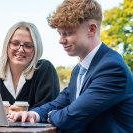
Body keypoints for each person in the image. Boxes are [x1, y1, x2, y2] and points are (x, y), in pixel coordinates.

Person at [8, 0, 133, 133]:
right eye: (60, 34)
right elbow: (59, 103)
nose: (61, 40)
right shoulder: (79, 69)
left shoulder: (112, 69)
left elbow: (71, 117)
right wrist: (33, 114)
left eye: (68, 33)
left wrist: (50, 115)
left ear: (92, 29)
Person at [0, 21, 60, 110]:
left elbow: (47, 109)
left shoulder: (44, 69)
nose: (21, 50)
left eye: (28, 46)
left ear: (36, 49)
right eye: (15, 43)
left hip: (31, 124)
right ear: (7, 45)